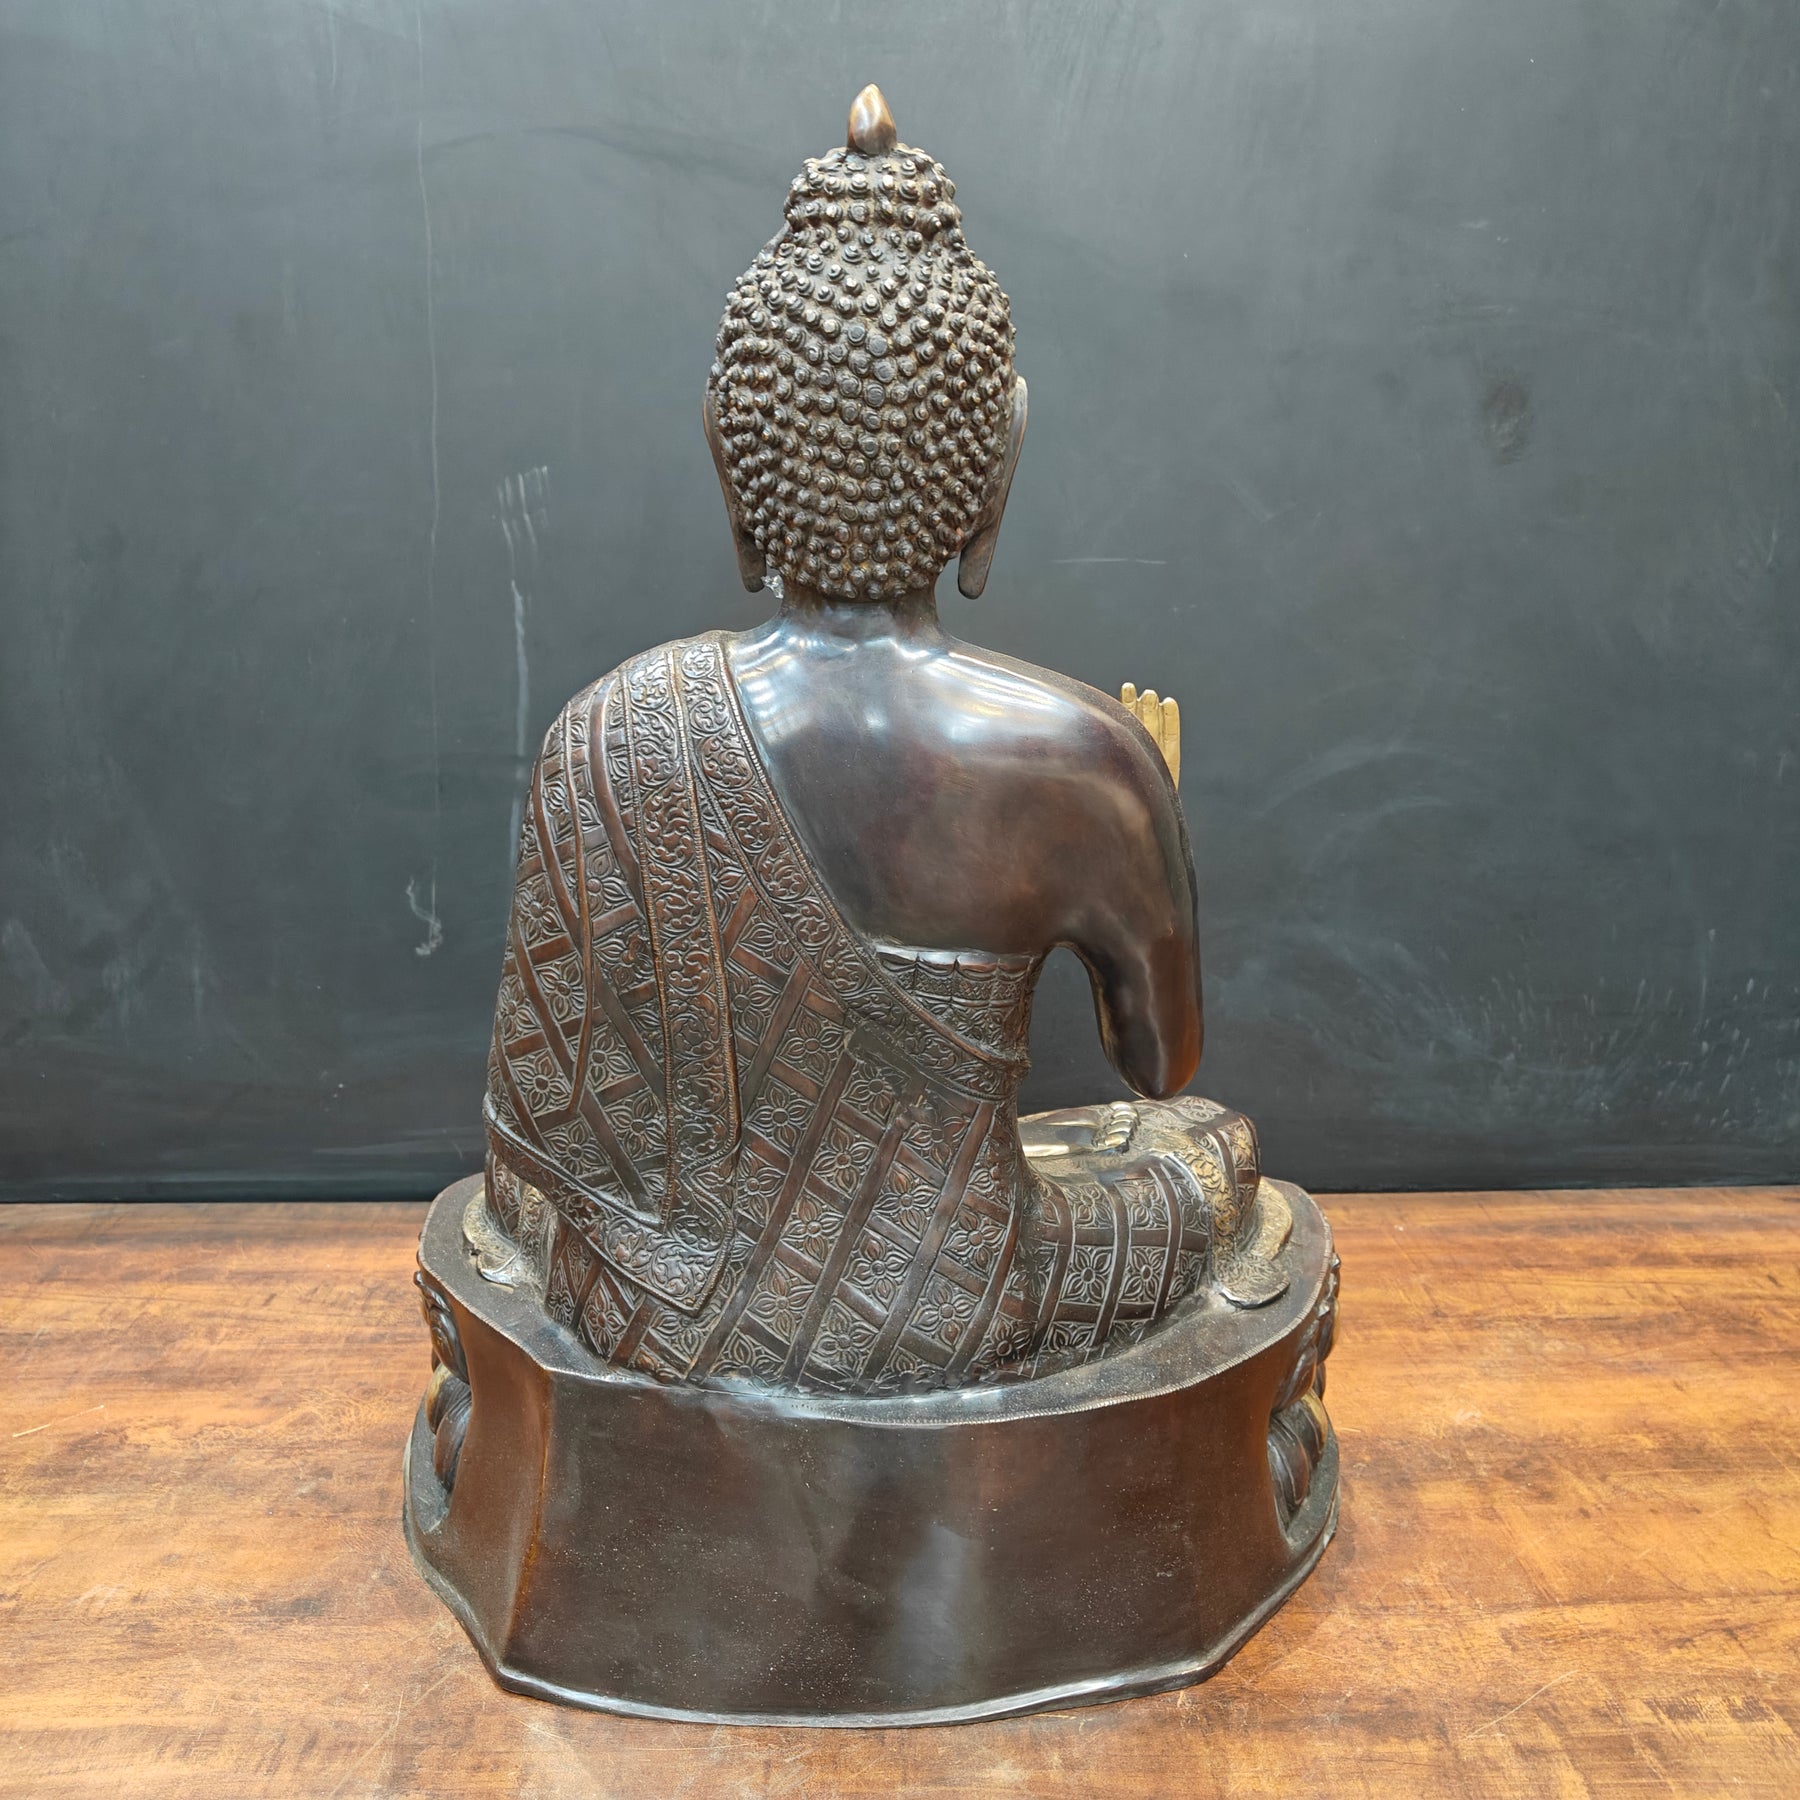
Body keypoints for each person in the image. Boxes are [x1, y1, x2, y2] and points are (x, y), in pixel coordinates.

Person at [473, 88, 1295, 1394]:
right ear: (998, 456)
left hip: (645, 1316)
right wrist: (1152, 829)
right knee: (1216, 1154)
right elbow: (1159, 1069)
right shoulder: (1084, 759)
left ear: (729, 455)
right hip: (956, 1306)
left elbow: (529, 1175)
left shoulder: (605, 737)